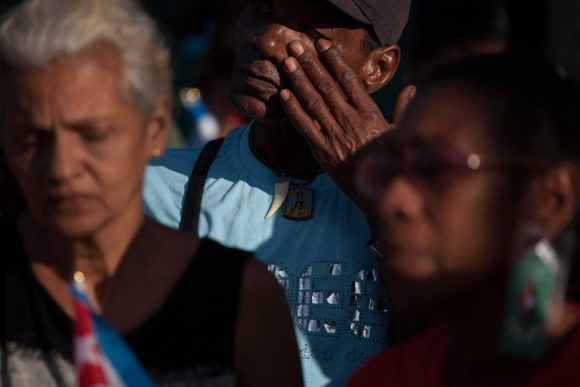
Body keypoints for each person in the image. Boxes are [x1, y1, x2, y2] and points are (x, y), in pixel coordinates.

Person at [0, 0, 302, 386]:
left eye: (94, 135)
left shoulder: (243, 300)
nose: (61, 167)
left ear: (155, 128)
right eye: (30, 138)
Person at [144, 0, 413, 385]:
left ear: (378, 67)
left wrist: (385, 205)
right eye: (262, 8)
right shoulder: (161, 186)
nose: (268, 40)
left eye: (312, 35)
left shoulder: (416, 211)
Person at [348, 53, 580, 386]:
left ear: (551, 199)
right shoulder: (382, 379)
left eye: (435, 167)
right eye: (384, 171)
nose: (392, 201)